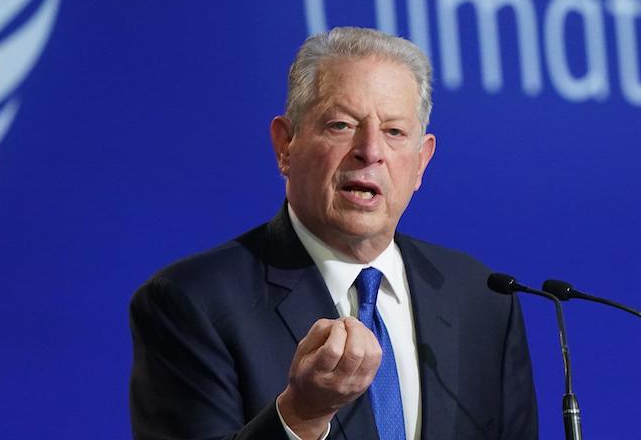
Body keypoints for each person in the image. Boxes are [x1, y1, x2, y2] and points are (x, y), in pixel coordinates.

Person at [129, 28, 539, 440]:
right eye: (341, 125)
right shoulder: (192, 302)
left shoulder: (482, 301)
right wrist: (299, 417)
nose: (370, 150)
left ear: (422, 162)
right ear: (285, 145)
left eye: (394, 132)